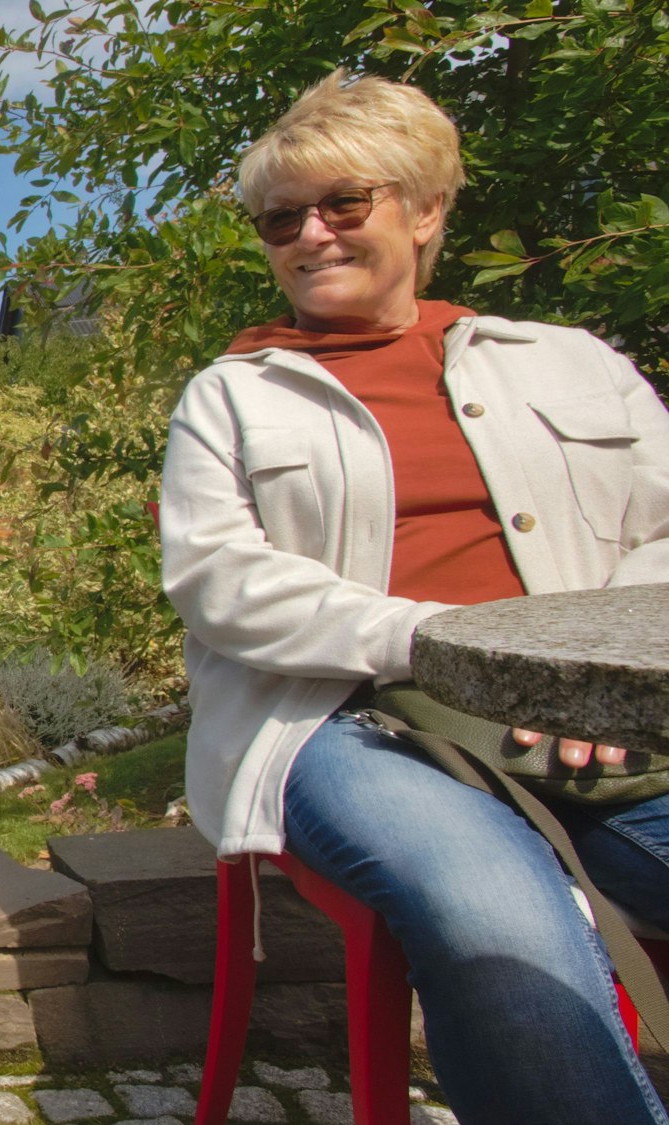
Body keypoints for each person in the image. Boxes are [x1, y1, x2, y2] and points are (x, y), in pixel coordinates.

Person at [160, 70, 669, 1124]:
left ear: (424, 208)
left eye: (342, 204)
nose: (309, 235)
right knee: (491, 918)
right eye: (278, 219)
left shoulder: (570, 365)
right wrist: (445, 645)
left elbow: (659, 538)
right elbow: (219, 581)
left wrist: (590, 681)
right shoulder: (231, 396)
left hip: (598, 720)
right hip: (344, 723)